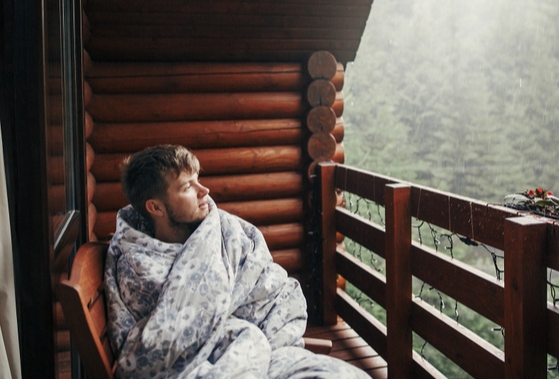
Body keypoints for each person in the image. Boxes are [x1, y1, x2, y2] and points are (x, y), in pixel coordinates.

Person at [104, 144, 368, 379]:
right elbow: (161, 340)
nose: (203, 190)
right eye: (187, 186)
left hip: (270, 349)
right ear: (156, 208)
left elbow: (269, 283)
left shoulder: (220, 229)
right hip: (220, 360)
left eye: (198, 179)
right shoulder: (138, 264)